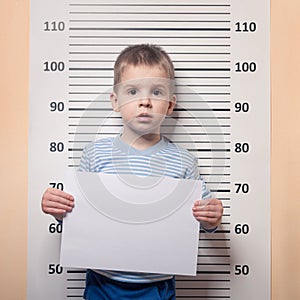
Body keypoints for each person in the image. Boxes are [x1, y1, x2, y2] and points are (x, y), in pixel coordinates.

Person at [41, 44, 223, 300]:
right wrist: (57, 208)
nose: (145, 101)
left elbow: (204, 221)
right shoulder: (94, 154)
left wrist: (212, 217)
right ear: (116, 102)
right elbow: (76, 216)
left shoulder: (184, 162)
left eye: (157, 92)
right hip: (103, 283)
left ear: (170, 106)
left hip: (157, 286)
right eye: (132, 91)